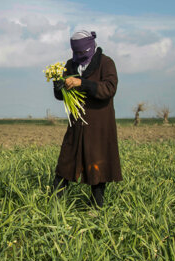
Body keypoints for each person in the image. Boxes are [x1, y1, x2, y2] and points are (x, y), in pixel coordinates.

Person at [53, 30, 122, 208]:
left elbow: (109, 88)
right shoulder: (70, 64)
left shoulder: (106, 63)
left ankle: (97, 206)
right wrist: (58, 85)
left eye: (82, 53)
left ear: (91, 47)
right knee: (65, 162)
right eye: (75, 53)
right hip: (76, 124)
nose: (79, 56)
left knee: (97, 164)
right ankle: (55, 205)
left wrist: (82, 83)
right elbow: (60, 96)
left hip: (99, 125)